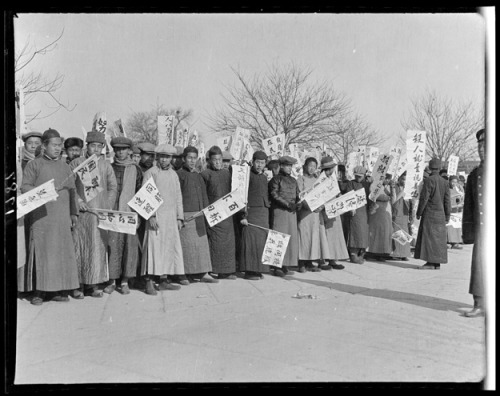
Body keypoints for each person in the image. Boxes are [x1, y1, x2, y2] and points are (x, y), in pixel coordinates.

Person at [20, 128, 80, 305]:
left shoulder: (65, 166)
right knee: (43, 253)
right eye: (54, 145)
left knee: (60, 253)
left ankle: (58, 290)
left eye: (60, 145)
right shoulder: (34, 164)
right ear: (44, 146)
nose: (58, 148)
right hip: (42, 217)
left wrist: (73, 213)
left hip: (62, 217)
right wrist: (43, 192)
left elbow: (72, 191)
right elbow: (25, 187)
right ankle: (39, 291)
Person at [70, 131, 118, 297]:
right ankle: (78, 286)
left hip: (99, 214)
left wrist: (107, 205)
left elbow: (113, 188)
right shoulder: (76, 163)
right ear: (87, 146)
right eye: (93, 146)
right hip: (82, 215)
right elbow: (69, 187)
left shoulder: (106, 165)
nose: (96, 149)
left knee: (97, 249)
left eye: (99, 146)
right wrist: (78, 200)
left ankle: (94, 284)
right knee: (80, 248)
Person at [141, 144, 185, 295]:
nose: (165, 160)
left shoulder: (174, 174)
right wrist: (151, 216)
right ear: (157, 157)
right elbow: (145, 196)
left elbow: (178, 196)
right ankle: (149, 281)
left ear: (172, 158)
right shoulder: (150, 173)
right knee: (153, 248)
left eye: (168, 157)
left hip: (171, 217)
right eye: (162, 156)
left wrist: (180, 217)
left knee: (168, 248)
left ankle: (164, 280)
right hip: (156, 216)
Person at [103, 137, 143, 295]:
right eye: (117, 149)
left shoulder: (136, 170)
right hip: (112, 213)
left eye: (124, 149)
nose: (120, 152)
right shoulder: (108, 167)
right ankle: (112, 281)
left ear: (129, 151)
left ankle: (125, 281)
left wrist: (138, 215)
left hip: (129, 213)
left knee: (129, 247)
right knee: (112, 246)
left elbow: (141, 194)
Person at [176, 146, 218, 284]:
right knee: (187, 246)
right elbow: (176, 197)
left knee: (201, 246)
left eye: (194, 158)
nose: (192, 161)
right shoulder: (179, 174)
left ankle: (203, 272)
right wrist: (180, 215)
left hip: (200, 214)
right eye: (189, 158)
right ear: (183, 159)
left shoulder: (198, 175)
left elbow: (204, 195)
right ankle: (184, 274)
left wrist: (207, 211)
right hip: (186, 215)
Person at [201, 146, 237, 279]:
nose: (217, 162)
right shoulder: (205, 174)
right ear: (209, 161)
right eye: (214, 160)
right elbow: (203, 195)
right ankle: (214, 269)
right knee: (215, 241)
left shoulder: (226, 173)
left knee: (228, 241)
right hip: (213, 212)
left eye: (220, 160)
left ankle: (226, 271)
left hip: (227, 212)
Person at [462, 128, 486, 317]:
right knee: (479, 266)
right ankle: (479, 303)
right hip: (482, 230)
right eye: (479, 145)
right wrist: (468, 233)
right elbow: (469, 206)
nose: (481, 148)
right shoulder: (474, 175)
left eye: (485, 145)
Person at [239, 150, 271, 280]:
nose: (259, 165)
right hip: (251, 212)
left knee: (261, 242)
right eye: (257, 162)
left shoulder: (264, 177)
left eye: (262, 163)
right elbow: (241, 197)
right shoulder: (247, 176)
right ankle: (249, 271)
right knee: (250, 242)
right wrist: (243, 216)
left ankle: (258, 269)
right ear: (252, 162)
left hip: (263, 212)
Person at [414, 158, 451, 270]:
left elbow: (424, 198)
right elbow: (447, 200)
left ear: (429, 168)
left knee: (429, 238)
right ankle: (436, 263)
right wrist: (447, 215)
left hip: (430, 213)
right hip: (440, 215)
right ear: (439, 168)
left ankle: (430, 263)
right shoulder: (445, 182)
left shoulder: (428, 180)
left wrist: (419, 212)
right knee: (438, 240)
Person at [268, 156, 299, 277]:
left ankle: (286, 264)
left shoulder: (293, 180)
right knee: (278, 237)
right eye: (287, 165)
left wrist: (298, 203)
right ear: (281, 166)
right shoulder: (275, 179)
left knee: (290, 238)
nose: (289, 168)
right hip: (280, 211)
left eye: (291, 166)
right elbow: (274, 194)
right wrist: (287, 204)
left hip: (291, 212)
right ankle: (276, 266)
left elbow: (297, 194)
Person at [318, 157, 348, 269]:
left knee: (334, 234)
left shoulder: (332, 179)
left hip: (334, 209)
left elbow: (337, 193)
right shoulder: (320, 180)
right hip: (324, 209)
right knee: (323, 235)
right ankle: (322, 260)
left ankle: (332, 259)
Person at [296, 157, 324, 272]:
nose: (312, 168)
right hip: (305, 212)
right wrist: (310, 206)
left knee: (313, 237)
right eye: (310, 165)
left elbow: (323, 193)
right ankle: (301, 262)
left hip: (315, 213)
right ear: (305, 166)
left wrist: (321, 206)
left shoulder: (318, 180)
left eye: (314, 166)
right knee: (303, 236)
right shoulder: (300, 179)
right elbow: (300, 195)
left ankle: (310, 262)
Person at [345, 166, 371, 264]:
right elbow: (348, 196)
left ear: (364, 175)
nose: (358, 178)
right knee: (355, 231)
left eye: (360, 176)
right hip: (355, 210)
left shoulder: (367, 184)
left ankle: (362, 252)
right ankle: (353, 253)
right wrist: (351, 208)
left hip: (365, 210)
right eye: (356, 176)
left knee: (364, 232)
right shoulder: (351, 183)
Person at [365, 174, 394, 261]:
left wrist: (392, 188)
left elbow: (393, 199)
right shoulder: (374, 185)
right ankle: (372, 252)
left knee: (384, 232)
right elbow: (374, 196)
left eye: (389, 179)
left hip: (386, 212)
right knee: (375, 231)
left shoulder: (387, 187)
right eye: (387, 178)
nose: (388, 181)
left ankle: (382, 251)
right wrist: (387, 197)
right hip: (376, 212)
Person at [390, 172, 413, 261]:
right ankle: (396, 253)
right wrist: (402, 192)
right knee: (396, 230)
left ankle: (404, 253)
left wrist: (412, 215)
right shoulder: (395, 187)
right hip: (396, 210)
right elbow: (393, 200)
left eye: (406, 180)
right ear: (399, 179)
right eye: (403, 179)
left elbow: (412, 202)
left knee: (405, 231)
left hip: (405, 212)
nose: (404, 181)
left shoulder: (409, 189)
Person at [447, 175, 464, 250]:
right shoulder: (447, 188)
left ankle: (456, 242)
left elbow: (462, 196)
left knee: (457, 227)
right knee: (450, 227)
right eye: (453, 182)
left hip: (457, 210)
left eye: (456, 182)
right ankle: (449, 242)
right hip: (450, 210)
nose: (454, 183)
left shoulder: (458, 188)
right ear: (449, 181)